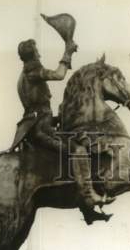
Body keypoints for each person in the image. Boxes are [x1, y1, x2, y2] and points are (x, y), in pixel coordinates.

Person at [9, 38, 100, 214]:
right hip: (42, 131)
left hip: (41, 125)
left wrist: (57, 118)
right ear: (32, 54)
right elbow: (59, 74)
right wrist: (68, 52)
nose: (39, 54)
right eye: (36, 51)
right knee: (78, 150)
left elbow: (37, 109)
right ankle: (88, 195)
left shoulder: (24, 75)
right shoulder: (32, 71)